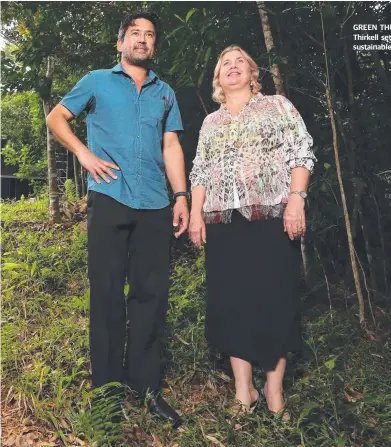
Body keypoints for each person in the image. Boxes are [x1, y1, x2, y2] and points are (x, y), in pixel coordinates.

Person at [46, 11, 188, 426]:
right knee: (107, 295)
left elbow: (172, 145)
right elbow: (57, 117)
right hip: (110, 197)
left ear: (154, 46)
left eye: (149, 35)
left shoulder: (166, 92)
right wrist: (84, 154)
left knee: (150, 297)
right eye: (135, 34)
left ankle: (145, 389)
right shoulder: (96, 81)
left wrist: (180, 196)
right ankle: (106, 397)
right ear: (120, 43)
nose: (142, 40)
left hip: (155, 203)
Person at [188, 45, 316, 420]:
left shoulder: (278, 106)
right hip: (222, 223)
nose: (232, 66)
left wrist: (296, 200)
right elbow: (199, 171)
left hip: (271, 218)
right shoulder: (211, 123)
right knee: (231, 303)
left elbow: (302, 152)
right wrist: (196, 215)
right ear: (217, 79)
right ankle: (244, 390)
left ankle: (274, 389)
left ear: (252, 73)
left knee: (275, 298)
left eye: (239, 61)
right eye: (225, 63)